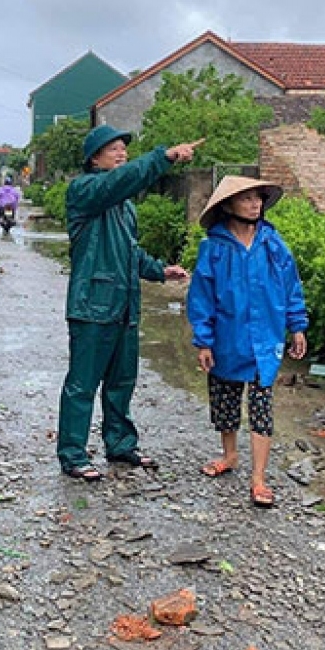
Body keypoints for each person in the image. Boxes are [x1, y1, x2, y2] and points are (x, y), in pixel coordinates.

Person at [57, 125, 200, 481]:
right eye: (114, 149)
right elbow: (119, 183)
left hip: (124, 305)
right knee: (82, 383)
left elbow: (129, 252)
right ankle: (73, 454)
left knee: (122, 380)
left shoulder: (125, 208)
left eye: (124, 149)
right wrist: (162, 157)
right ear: (94, 158)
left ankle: (120, 444)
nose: (122, 154)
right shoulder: (86, 190)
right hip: (92, 304)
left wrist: (158, 270)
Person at [186, 176, 308, 508]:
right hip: (228, 337)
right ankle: (229, 455)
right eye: (247, 199)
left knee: (261, 405)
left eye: (258, 199)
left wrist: (297, 327)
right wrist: (204, 341)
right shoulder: (213, 248)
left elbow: (291, 287)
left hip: (265, 338)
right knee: (225, 400)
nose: (255, 204)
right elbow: (202, 298)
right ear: (228, 205)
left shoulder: (273, 244)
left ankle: (259, 478)